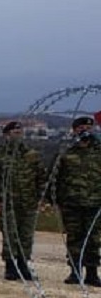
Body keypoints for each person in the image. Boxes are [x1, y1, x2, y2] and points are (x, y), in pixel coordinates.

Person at [51, 115, 101, 286]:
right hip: (71, 203)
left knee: (93, 239)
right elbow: (54, 177)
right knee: (74, 238)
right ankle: (75, 272)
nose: (85, 130)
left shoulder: (99, 150)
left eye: (88, 128)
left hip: (95, 203)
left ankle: (92, 273)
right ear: (74, 130)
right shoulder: (66, 151)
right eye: (81, 128)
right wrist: (55, 200)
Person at [0, 120, 44, 281]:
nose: (18, 136)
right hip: (8, 203)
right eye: (14, 133)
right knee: (10, 235)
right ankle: (10, 267)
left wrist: (41, 198)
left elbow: (40, 177)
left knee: (26, 236)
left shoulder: (32, 155)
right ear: (6, 135)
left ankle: (23, 265)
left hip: (29, 202)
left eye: (20, 133)